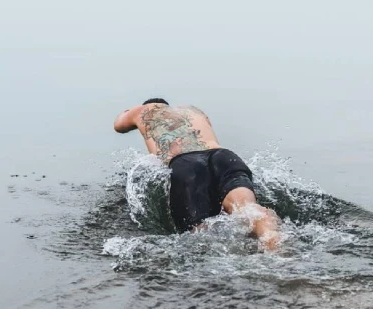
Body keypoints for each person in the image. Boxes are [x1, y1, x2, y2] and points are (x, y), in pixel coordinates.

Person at [114, 98, 281, 249]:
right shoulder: (193, 110)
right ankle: (277, 248)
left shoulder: (143, 110)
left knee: (199, 233)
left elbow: (119, 125)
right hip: (223, 157)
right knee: (248, 210)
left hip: (186, 163)